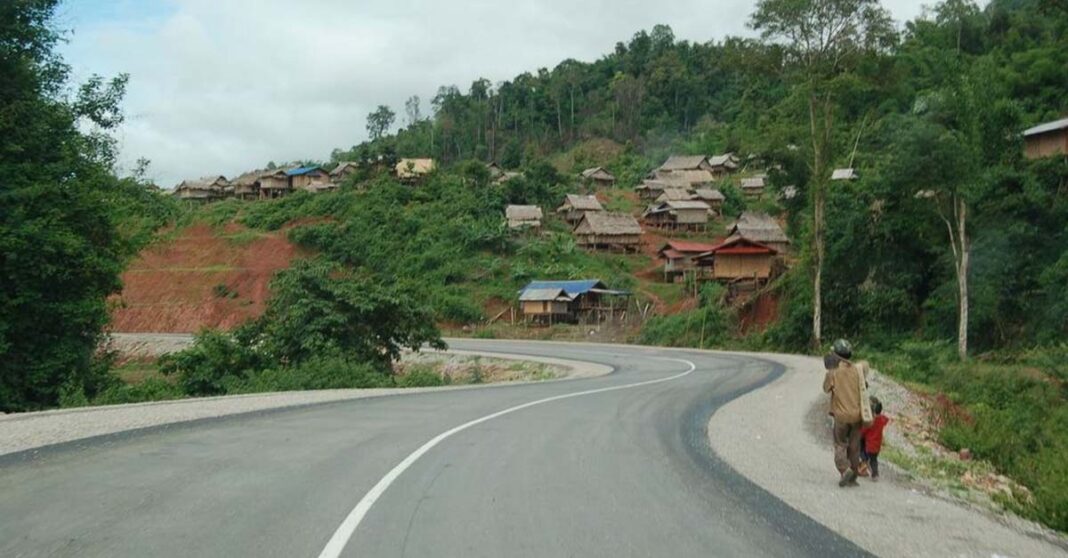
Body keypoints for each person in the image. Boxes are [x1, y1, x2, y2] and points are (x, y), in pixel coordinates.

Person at [822, 339, 865, 487]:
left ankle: (844, 470)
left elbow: (826, 389)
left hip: (841, 416)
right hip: (857, 415)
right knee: (854, 446)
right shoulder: (857, 370)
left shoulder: (833, 372)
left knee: (840, 444)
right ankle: (853, 477)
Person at [860, 397, 889, 481]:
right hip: (877, 445)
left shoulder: (871, 421)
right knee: (874, 460)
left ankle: (864, 462)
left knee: (861, 449)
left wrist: (859, 435)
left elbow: (863, 431)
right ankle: (875, 474)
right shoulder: (881, 420)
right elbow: (886, 419)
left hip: (869, 444)